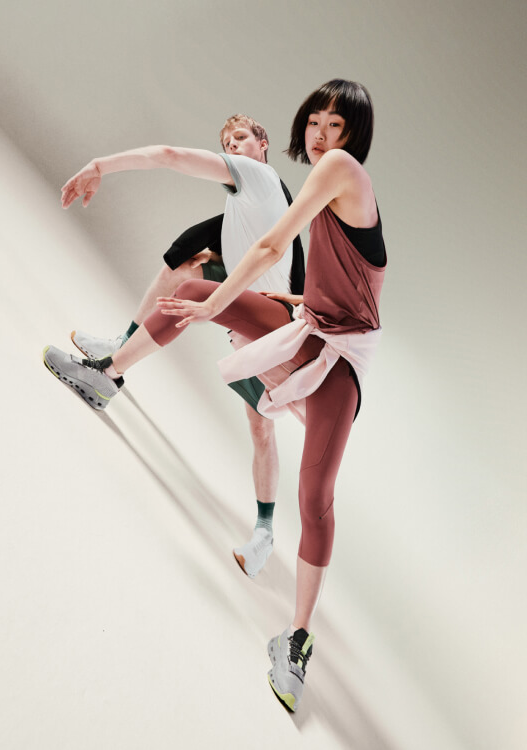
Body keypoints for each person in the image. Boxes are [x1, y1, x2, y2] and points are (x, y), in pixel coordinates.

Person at [44, 79, 386, 712]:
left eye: (335, 126)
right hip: (315, 336)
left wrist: (220, 305)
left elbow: (270, 245)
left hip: (338, 360)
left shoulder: (336, 170)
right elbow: (322, 282)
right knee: (196, 290)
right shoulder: (319, 190)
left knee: (313, 492)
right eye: (314, 122)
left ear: (350, 137)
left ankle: (295, 636)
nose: (320, 136)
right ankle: (108, 373)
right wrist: (273, 300)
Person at [56, 114, 305, 581]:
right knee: (187, 269)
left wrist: (100, 165)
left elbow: (169, 156)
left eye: (240, 138)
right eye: (226, 142)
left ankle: (265, 531)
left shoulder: (257, 175)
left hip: (270, 330)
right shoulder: (252, 201)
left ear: (263, 143)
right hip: (250, 305)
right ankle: (117, 354)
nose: (232, 147)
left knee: (261, 429)